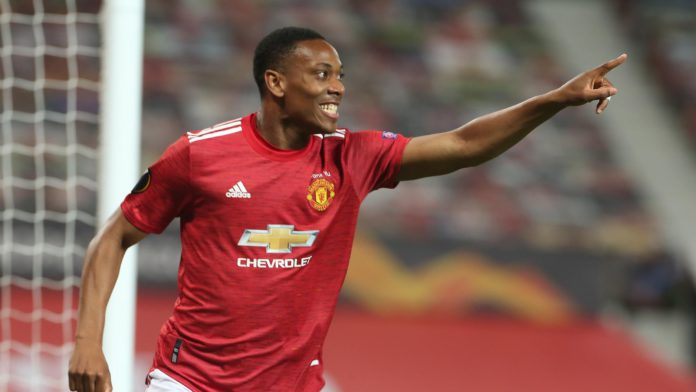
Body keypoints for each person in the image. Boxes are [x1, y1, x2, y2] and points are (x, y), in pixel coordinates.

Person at [68, 26, 626, 392]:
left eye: (340, 76)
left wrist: (553, 99)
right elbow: (113, 237)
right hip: (189, 381)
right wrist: (89, 341)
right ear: (275, 82)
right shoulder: (199, 155)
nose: (337, 88)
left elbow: (462, 144)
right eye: (322, 75)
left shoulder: (354, 157)